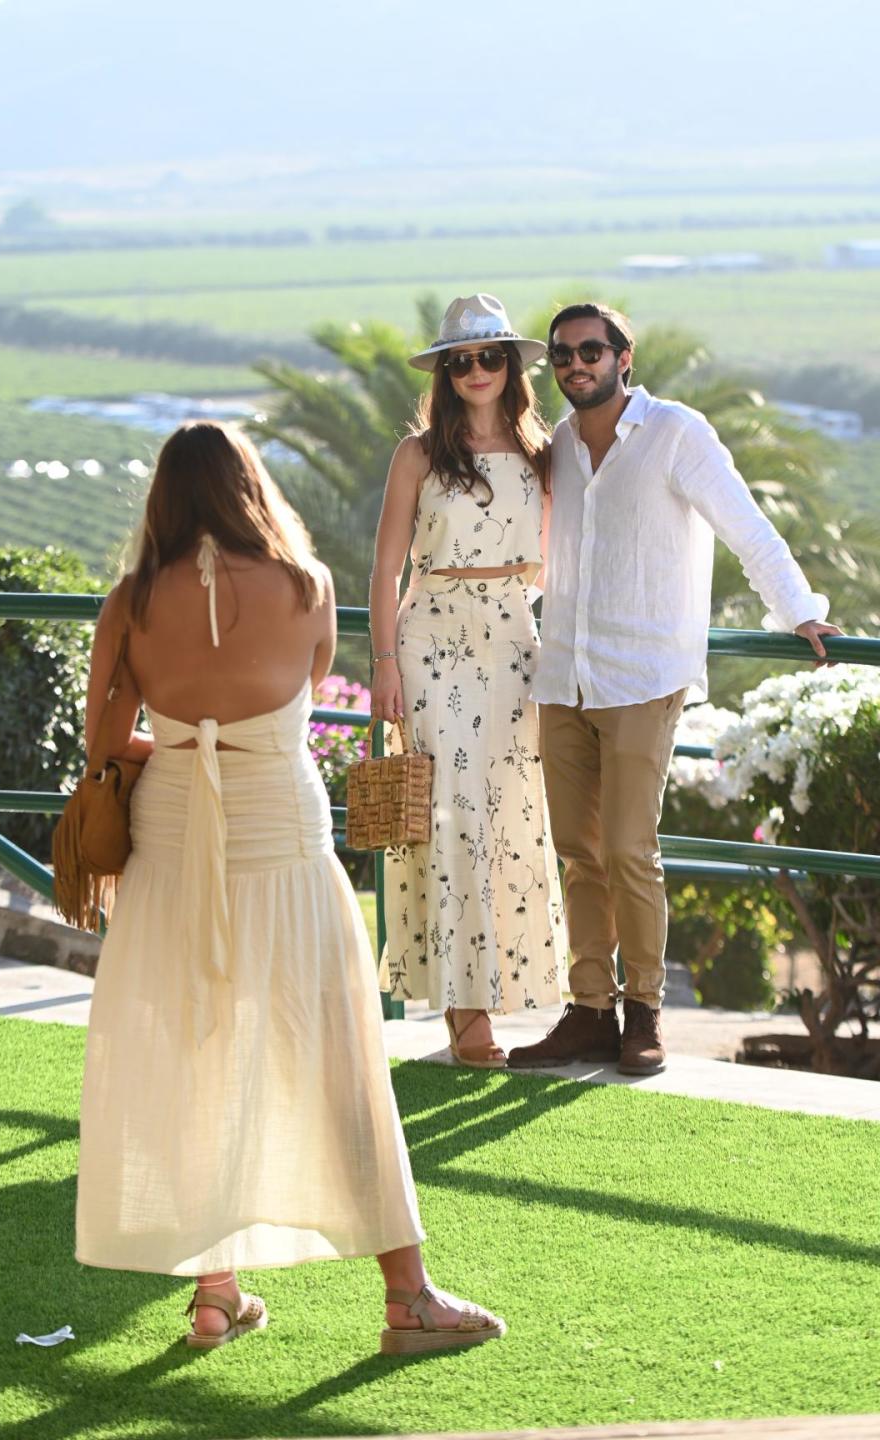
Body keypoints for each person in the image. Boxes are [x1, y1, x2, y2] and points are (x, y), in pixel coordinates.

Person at [74, 420, 504, 1354]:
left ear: (165, 497)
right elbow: (303, 689)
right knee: (340, 1059)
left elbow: (102, 747)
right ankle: (407, 1296)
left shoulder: (133, 601)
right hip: (283, 839)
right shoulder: (308, 589)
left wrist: (184, 747)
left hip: (173, 845)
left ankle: (216, 1294)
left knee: (197, 1051)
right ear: (249, 489)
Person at [508, 302, 842, 1078]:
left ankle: (644, 1014)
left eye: (591, 350)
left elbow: (746, 524)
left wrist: (800, 612)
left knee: (628, 849)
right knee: (578, 853)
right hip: (564, 676)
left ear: (626, 356)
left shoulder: (677, 433)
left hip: (641, 677)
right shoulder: (557, 443)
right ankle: (589, 1009)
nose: (574, 364)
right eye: (561, 354)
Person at [370, 294, 566, 1067]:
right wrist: (383, 664)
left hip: (515, 640)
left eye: (490, 356)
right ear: (446, 372)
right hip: (431, 638)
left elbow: (558, 557)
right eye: (462, 360)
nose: (477, 370)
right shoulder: (416, 455)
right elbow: (386, 568)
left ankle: (508, 989)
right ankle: (464, 1007)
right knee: (447, 816)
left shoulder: (542, 451)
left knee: (511, 815)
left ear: (510, 366)